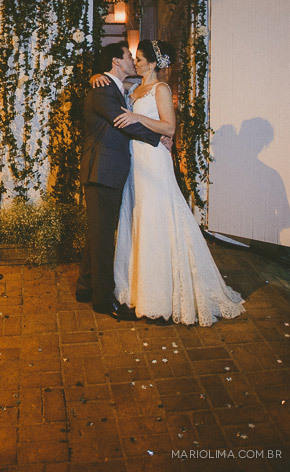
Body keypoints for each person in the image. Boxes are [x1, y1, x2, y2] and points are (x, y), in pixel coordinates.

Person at [93, 39, 245, 326]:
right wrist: (96, 74)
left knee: (157, 219)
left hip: (154, 160)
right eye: (134, 58)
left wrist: (137, 116)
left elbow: (169, 127)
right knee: (138, 220)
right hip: (134, 163)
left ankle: (161, 295)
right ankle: (138, 289)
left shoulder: (160, 89)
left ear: (152, 63)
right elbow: (111, 89)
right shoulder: (134, 88)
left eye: (139, 59)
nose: (135, 62)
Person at [76, 42, 171, 320]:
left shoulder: (117, 86)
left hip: (109, 170)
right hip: (102, 171)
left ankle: (84, 287)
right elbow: (122, 120)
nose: (132, 59)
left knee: (98, 232)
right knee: (104, 238)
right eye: (129, 56)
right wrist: (159, 137)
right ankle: (104, 301)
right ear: (117, 61)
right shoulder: (103, 88)